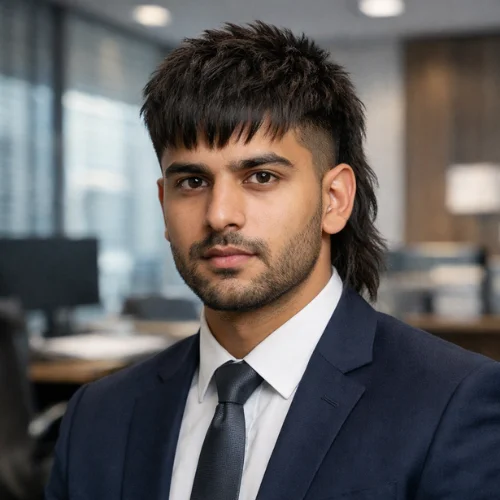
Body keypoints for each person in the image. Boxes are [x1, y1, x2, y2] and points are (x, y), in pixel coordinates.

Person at [45, 22, 500, 500]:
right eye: (192, 182)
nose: (220, 214)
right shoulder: (96, 416)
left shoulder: (454, 403)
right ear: (163, 203)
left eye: (260, 176)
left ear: (334, 199)